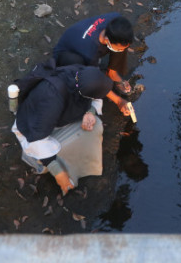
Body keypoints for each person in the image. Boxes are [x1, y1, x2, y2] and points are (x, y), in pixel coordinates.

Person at [12, 64, 113, 194]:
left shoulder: (80, 74)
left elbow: (95, 98)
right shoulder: (51, 99)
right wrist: (59, 173)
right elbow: (36, 138)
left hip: (55, 120)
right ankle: (46, 162)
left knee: (96, 126)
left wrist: (90, 112)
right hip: (33, 130)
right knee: (55, 155)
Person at [53, 12, 134, 116]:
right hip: (67, 55)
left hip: (88, 45)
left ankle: (111, 72)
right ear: (107, 40)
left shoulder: (116, 21)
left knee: (121, 44)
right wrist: (119, 101)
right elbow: (93, 79)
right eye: (118, 49)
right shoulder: (88, 52)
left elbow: (120, 43)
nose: (120, 51)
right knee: (88, 79)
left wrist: (120, 49)